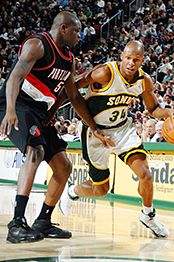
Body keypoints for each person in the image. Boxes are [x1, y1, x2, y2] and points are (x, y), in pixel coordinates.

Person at [0, 11, 113, 244]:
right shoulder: (37, 45)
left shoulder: (69, 58)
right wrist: (10, 110)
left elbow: (73, 97)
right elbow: (14, 78)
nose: (79, 36)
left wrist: (93, 127)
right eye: (76, 31)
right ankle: (17, 223)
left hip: (39, 111)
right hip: (17, 104)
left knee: (64, 166)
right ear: (63, 28)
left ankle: (43, 221)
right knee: (36, 150)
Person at [67, 40, 174, 238]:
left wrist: (171, 112)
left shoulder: (144, 81)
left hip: (122, 130)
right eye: (128, 58)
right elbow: (72, 89)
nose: (131, 63)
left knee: (145, 173)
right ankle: (73, 191)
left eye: (136, 59)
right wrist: (92, 127)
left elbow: (153, 110)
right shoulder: (105, 72)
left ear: (142, 61)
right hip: (95, 133)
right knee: (101, 190)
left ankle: (148, 214)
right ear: (121, 56)